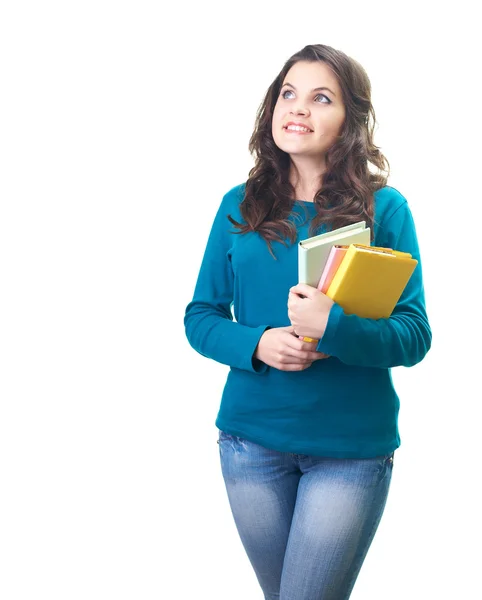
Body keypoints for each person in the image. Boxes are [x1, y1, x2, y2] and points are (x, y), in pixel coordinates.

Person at [183, 43, 432, 600]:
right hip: (249, 445)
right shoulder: (239, 206)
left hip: (349, 450)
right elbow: (200, 316)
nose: (299, 108)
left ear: (351, 121)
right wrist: (258, 344)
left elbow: (414, 335)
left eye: (322, 98)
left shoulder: (383, 211)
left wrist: (334, 326)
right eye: (288, 94)